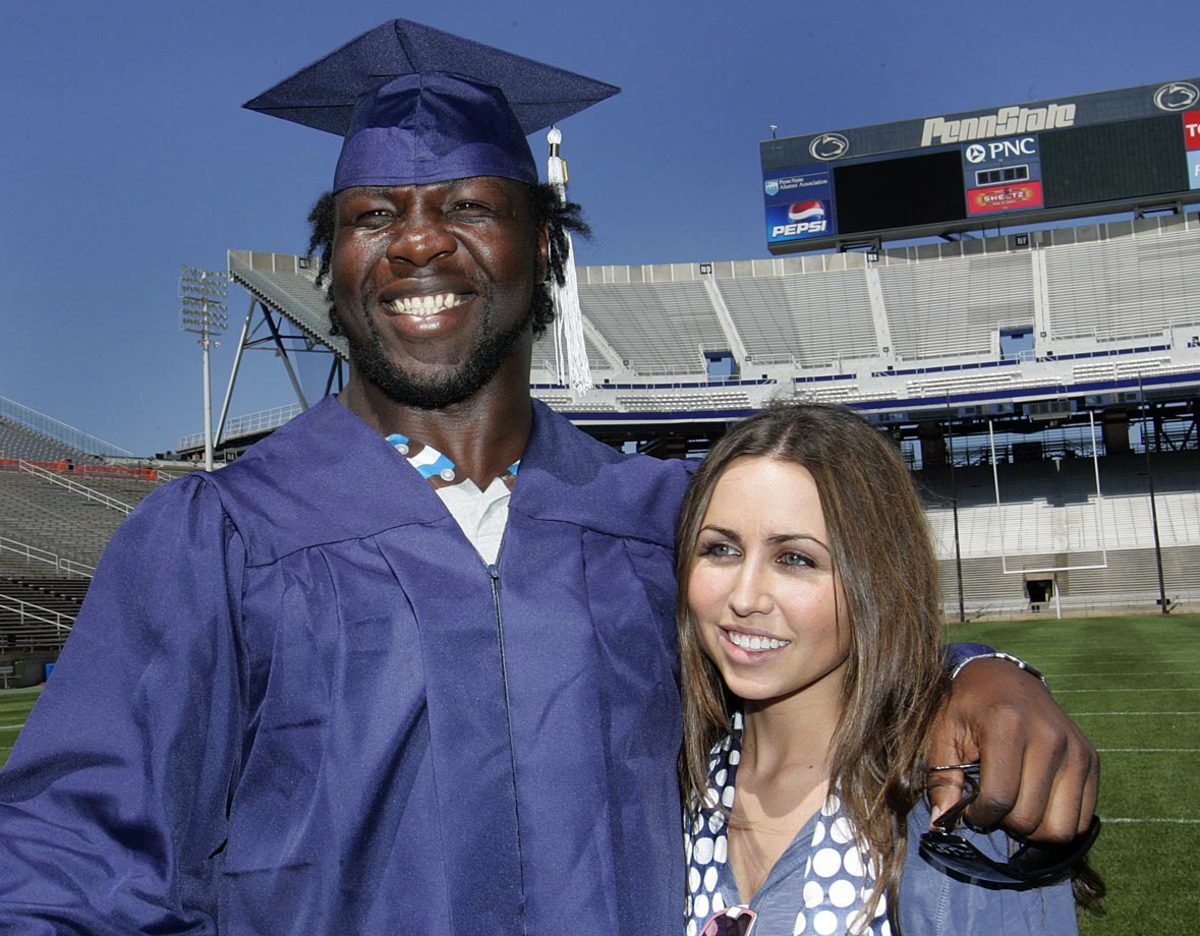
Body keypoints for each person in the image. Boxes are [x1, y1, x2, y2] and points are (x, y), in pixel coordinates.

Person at [0, 19, 1096, 936]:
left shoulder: (658, 523)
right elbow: (72, 858)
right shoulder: (219, 537)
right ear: (330, 263)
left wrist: (978, 673)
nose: (417, 244)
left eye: (470, 207)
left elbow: (818, 643)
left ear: (547, 249)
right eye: (372, 215)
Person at [678, 404, 1102, 936]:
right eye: (720, 549)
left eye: (796, 559)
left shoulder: (951, 806)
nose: (744, 598)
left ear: (877, 579)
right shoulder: (673, 780)